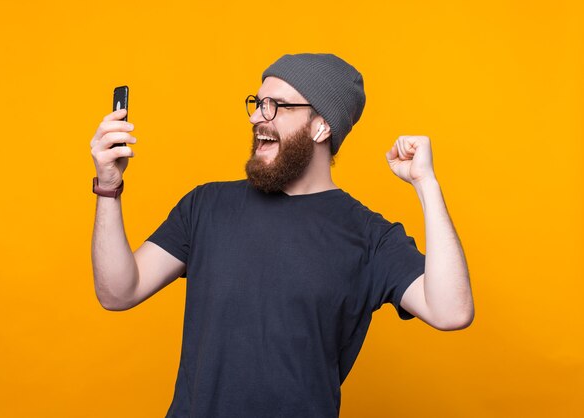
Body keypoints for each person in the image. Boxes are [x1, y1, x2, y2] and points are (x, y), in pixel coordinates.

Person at [90, 53, 474, 418]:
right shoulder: (206, 207)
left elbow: (451, 311)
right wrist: (108, 186)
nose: (258, 116)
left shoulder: (368, 236)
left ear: (321, 126)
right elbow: (119, 291)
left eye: (276, 106)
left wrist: (426, 184)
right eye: (257, 103)